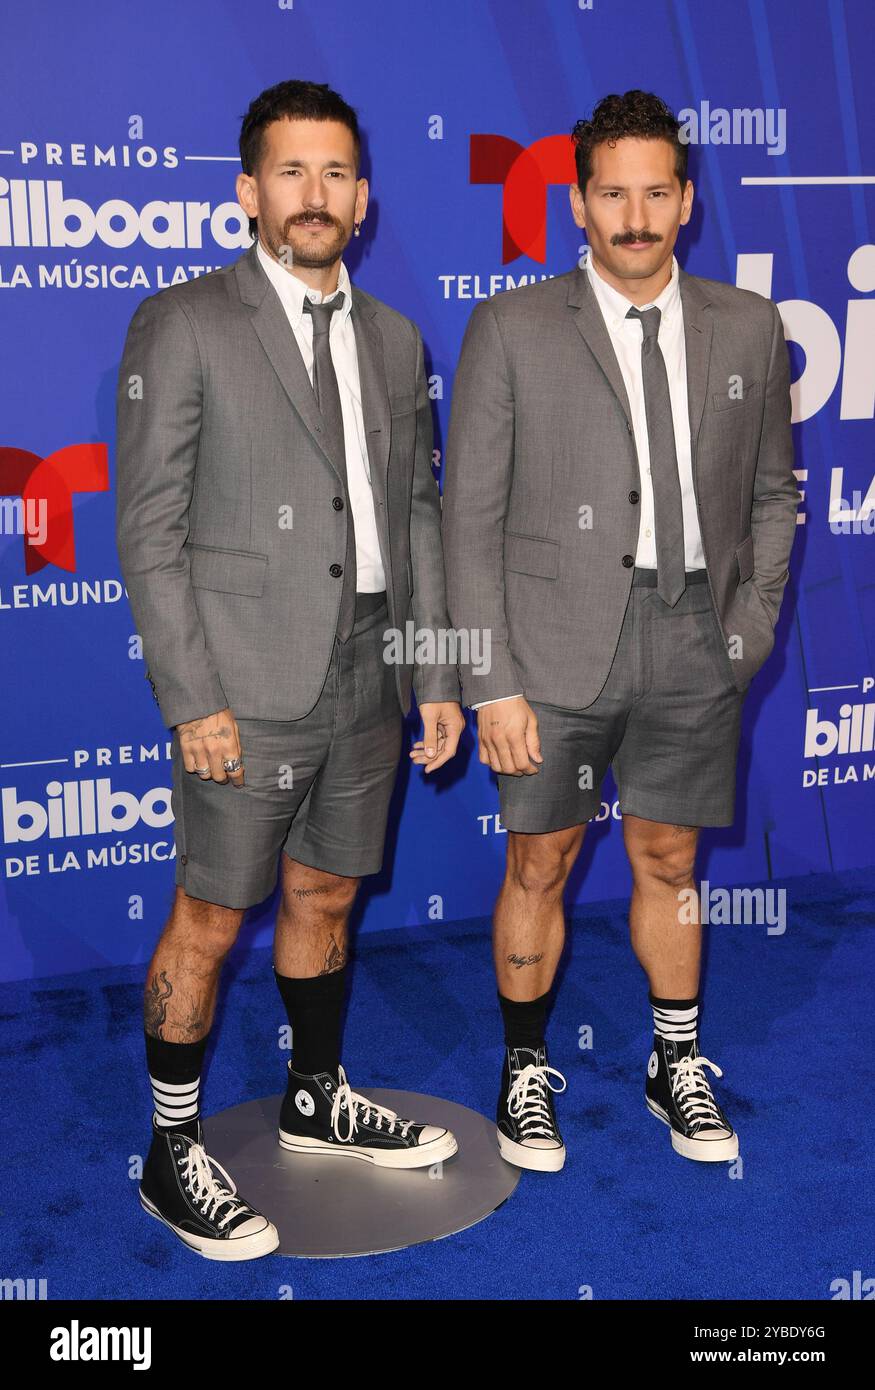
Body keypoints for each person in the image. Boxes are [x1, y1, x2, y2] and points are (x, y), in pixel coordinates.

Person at [116, 79, 464, 1259]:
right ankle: (171, 1147)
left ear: (362, 199)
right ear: (247, 192)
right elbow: (149, 529)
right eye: (290, 173)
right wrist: (191, 697)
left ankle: (315, 1091)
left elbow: (415, 518)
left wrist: (433, 671)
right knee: (210, 918)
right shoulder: (187, 322)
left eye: (334, 175)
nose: (313, 197)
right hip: (242, 685)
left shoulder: (396, 338)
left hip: (369, 673)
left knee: (325, 896)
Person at [441, 90, 798, 1172]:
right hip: (550, 645)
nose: (634, 216)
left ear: (685, 200)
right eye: (611, 194)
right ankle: (523, 1070)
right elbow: (470, 517)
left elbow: (774, 497)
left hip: (696, 636)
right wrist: (487, 678)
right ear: (577, 206)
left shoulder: (746, 325)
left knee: (669, 856)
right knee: (539, 860)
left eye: (654, 192)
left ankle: (673, 1063)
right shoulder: (508, 326)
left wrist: (743, 634)